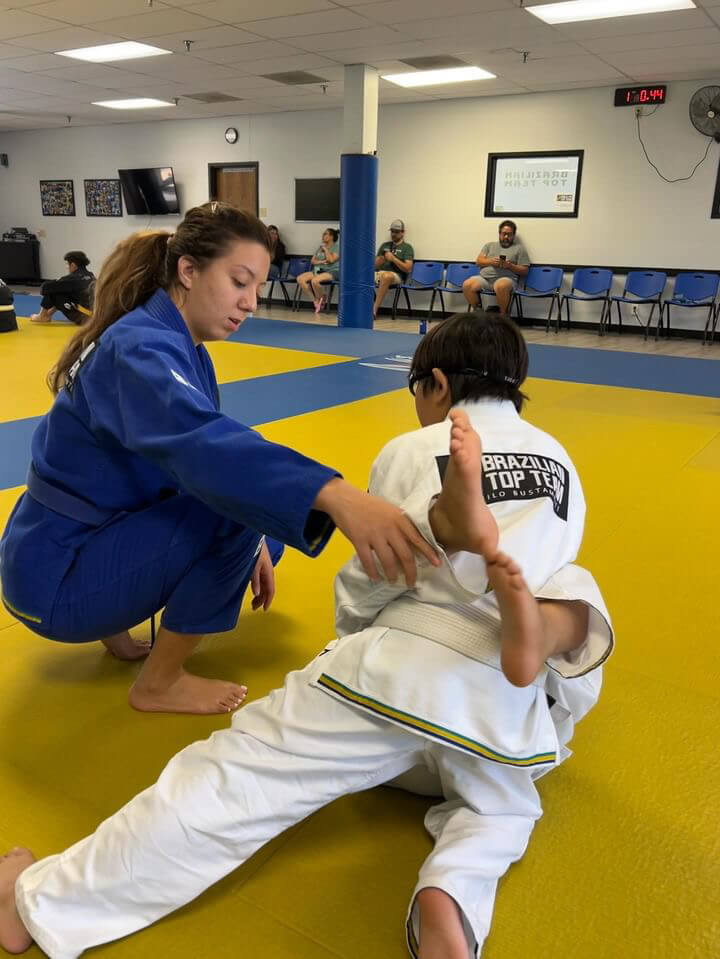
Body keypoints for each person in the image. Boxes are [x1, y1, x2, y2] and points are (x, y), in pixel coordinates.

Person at [0, 311, 613, 959]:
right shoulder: (562, 461)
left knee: (235, 781)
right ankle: (453, 891)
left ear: (434, 385)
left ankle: (36, 902)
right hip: (506, 719)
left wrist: (345, 643)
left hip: (400, 670)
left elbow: (372, 580)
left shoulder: (414, 449)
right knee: (500, 806)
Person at [0, 202, 437, 717]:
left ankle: (115, 632)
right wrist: (336, 494)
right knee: (241, 513)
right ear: (188, 271)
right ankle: (158, 683)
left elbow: (180, 460)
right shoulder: (140, 348)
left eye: (256, 287)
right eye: (238, 282)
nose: (250, 303)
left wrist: (258, 529)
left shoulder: (165, 341)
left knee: (268, 529)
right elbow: (200, 445)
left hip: (57, 551)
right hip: (55, 582)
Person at [463, 221, 529, 316]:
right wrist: (490, 262)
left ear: (513, 235)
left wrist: (510, 266)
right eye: (504, 234)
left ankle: (503, 316)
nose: (506, 237)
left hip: (506, 279)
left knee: (501, 285)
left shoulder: (519, 249)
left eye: (509, 234)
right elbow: (478, 261)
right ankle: (479, 312)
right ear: (499, 233)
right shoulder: (489, 245)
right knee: (467, 284)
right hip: (484, 279)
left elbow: (524, 271)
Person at [30, 251, 94, 325]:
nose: (67, 267)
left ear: (73, 265)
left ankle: (42, 316)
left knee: (53, 290)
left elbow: (45, 288)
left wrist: (56, 281)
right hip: (94, 316)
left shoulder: (72, 278)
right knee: (63, 291)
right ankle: (47, 315)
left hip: (83, 318)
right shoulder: (91, 276)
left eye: (67, 264)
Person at [374, 219, 414, 319]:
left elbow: (407, 269)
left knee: (386, 276)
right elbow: (374, 266)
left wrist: (393, 259)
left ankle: (374, 309)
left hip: (396, 276)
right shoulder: (385, 245)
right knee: (360, 275)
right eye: (392, 231)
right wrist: (380, 260)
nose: (394, 234)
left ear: (403, 232)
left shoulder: (407, 248)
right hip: (380, 272)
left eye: (396, 232)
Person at [296, 227, 339, 313]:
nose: (322, 236)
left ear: (331, 237)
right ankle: (315, 300)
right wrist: (322, 261)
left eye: (325, 234)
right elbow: (313, 261)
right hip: (318, 270)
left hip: (332, 271)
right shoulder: (320, 248)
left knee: (314, 281)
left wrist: (326, 250)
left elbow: (331, 260)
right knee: (300, 279)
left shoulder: (336, 247)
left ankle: (322, 297)